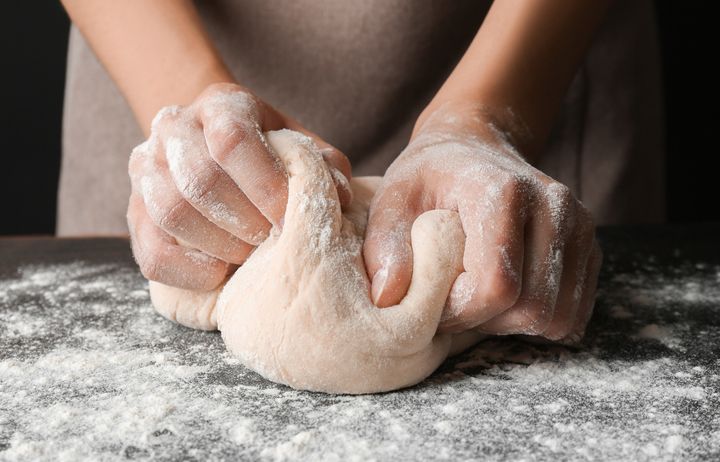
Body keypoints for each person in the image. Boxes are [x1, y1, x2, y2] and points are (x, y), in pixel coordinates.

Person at [58, 0, 664, 342]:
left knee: (516, 278)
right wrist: (187, 101)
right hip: (153, 45)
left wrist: (487, 115)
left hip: (527, 56)